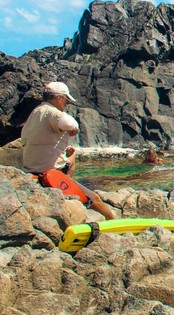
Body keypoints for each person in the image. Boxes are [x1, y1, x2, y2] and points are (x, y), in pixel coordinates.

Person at [21, 81, 116, 220]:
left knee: (71, 156)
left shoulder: (35, 113)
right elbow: (70, 123)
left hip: (31, 169)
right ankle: (114, 223)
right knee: (94, 198)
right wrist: (75, 128)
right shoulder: (51, 112)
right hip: (50, 175)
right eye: (66, 100)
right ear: (59, 98)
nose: (66, 104)